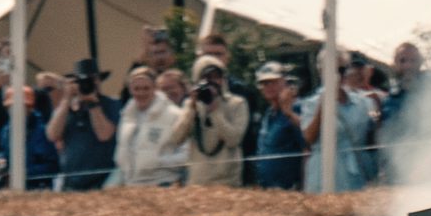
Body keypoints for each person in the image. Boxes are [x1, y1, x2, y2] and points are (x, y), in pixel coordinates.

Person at [296, 58, 379, 192]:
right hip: (324, 171)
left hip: (356, 170)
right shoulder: (311, 103)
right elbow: (308, 138)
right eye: (330, 70)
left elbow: (375, 135)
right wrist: (322, 106)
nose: (337, 75)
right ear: (321, 72)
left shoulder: (363, 102)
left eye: (341, 70)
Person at [165, 58, 251, 187]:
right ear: (197, 80)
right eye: (207, 77)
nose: (212, 82)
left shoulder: (237, 104)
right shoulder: (191, 105)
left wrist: (215, 111)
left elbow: (233, 140)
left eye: (217, 77)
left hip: (227, 182)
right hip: (197, 181)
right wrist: (192, 108)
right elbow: (176, 139)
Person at [49, 60, 122, 190]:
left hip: (101, 182)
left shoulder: (112, 104)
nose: (87, 84)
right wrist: (66, 99)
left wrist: (93, 104)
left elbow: (105, 135)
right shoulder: (67, 108)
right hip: (70, 182)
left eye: (93, 79)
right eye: (81, 81)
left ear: (99, 81)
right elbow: (52, 135)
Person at [106, 63, 181, 186]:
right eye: (136, 89)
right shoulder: (126, 115)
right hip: (132, 185)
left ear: (155, 88)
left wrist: (157, 161)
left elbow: (185, 154)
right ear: (130, 90)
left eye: (146, 88)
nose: (141, 93)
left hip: (163, 183)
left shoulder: (174, 115)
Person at [247, 64, 307, 189]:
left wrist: (289, 112)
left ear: (285, 82)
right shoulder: (269, 113)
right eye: (264, 83)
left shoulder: (297, 108)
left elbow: (307, 145)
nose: (268, 87)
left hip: (290, 188)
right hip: (269, 189)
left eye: (273, 82)